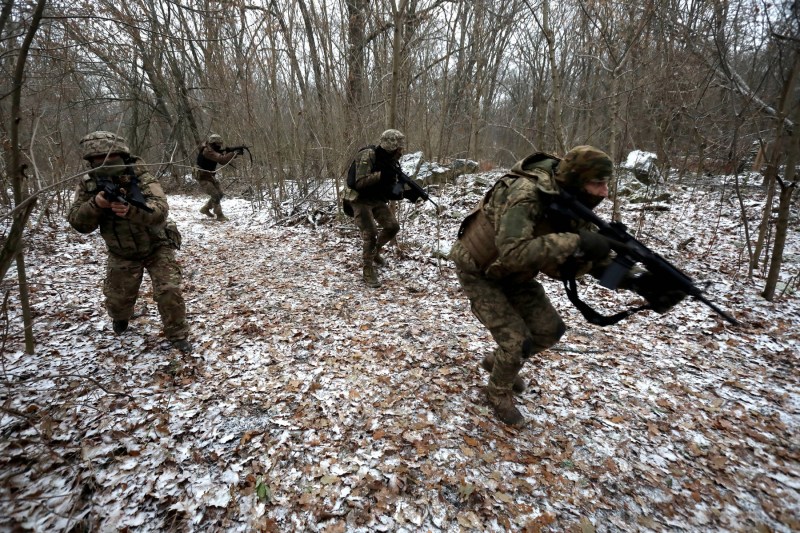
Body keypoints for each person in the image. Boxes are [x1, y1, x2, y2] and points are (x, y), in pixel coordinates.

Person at [449, 146, 685, 426]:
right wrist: (576, 242)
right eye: (597, 183)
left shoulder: (569, 201)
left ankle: (498, 363)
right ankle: (498, 392)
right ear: (576, 179)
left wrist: (636, 281)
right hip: (479, 270)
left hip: (513, 273)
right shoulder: (525, 194)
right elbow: (513, 252)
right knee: (516, 342)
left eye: (606, 183)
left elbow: (593, 257)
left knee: (549, 331)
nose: (604, 192)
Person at [68, 131, 192, 354]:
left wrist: (131, 211)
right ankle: (121, 319)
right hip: (121, 251)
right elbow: (79, 224)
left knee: (169, 291)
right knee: (118, 301)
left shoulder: (141, 176)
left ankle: (178, 335)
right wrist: (95, 205)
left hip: (157, 245)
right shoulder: (88, 184)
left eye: (110, 158)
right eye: (98, 160)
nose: (104, 164)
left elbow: (160, 211)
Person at [344, 129, 407, 288]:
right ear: (392, 146)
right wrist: (381, 176)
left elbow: (388, 186)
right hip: (359, 199)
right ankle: (368, 269)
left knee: (393, 226)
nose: (401, 150)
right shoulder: (368, 155)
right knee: (370, 232)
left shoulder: (391, 160)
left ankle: (375, 252)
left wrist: (401, 191)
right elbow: (358, 182)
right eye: (399, 147)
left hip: (375, 198)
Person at [196, 133, 236, 221]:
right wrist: (232, 153)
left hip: (210, 176)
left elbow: (222, 158)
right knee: (215, 195)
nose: (219, 146)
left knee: (220, 194)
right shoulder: (208, 151)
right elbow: (222, 160)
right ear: (214, 143)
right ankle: (220, 215)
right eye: (218, 144)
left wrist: (231, 155)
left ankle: (205, 209)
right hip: (203, 177)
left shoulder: (211, 149)